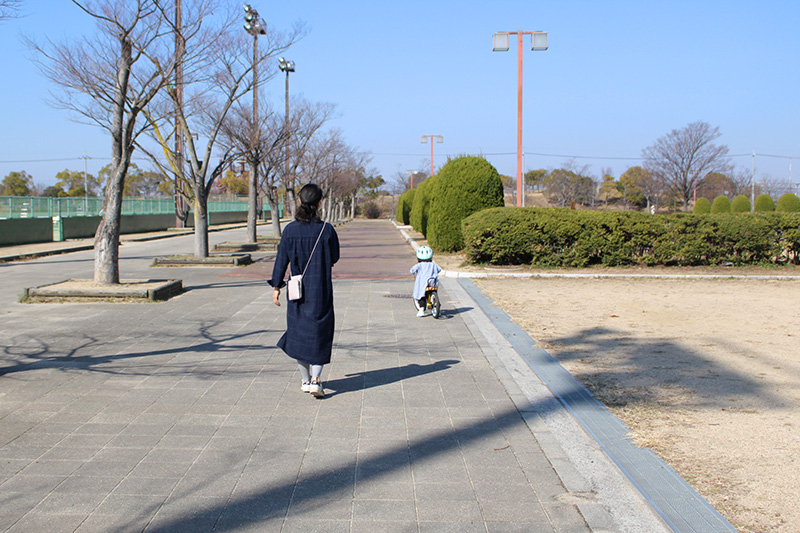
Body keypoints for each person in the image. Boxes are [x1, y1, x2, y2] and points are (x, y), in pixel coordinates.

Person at [269, 183, 340, 398]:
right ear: (319, 203)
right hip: (320, 290)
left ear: (300, 201)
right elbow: (334, 257)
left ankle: (305, 380)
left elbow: (282, 259)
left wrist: (276, 286)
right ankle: (317, 380)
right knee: (320, 333)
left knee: (298, 334)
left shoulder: (290, 230)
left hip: (296, 291)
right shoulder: (326, 230)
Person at [410, 245, 441, 317]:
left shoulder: (419, 265)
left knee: (421, 296)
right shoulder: (433, 264)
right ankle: (438, 309)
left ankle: (421, 310)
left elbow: (412, 270)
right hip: (433, 283)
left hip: (423, 284)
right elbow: (439, 270)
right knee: (434, 293)